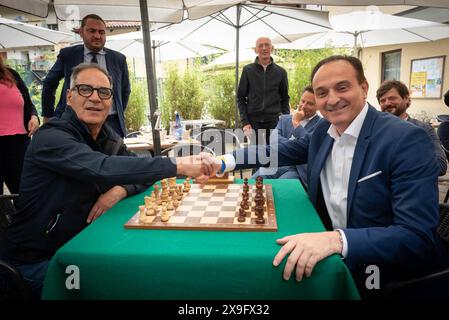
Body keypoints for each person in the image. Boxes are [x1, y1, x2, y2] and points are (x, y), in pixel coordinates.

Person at [213, 55, 449, 297]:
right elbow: (276, 151)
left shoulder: (406, 139)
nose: (332, 99)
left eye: (342, 87)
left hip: (385, 275)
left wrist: (336, 240)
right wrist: (221, 161)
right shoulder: (322, 133)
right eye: (322, 92)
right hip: (332, 259)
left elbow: (417, 237)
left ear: (364, 88)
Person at [0, 63, 214, 299]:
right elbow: (100, 167)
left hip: (82, 244)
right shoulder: (50, 137)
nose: (95, 97)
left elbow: (135, 169)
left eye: (103, 92)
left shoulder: (107, 136)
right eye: (85, 89)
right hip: (38, 260)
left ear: (111, 102)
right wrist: (179, 165)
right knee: (128, 286)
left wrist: (120, 190)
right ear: (69, 96)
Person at [41, 14, 130, 138]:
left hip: (111, 123)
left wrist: (112, 110)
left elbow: (125, 90)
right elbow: (49, 83)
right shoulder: (68, 55)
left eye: (101, 32)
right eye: (92, 31)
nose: (97, 36)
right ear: (81, 32)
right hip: (74, 122)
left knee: (114, 157)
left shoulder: (118, 59)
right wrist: (47, 115)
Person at [253, 85, 321, 188]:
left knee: (280, 191)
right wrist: (296, 145)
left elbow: (309, 146)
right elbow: (273, 140)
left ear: (318, 106)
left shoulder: (321, 125)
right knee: (252, 184)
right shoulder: (284, 119)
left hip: (297, 169)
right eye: (303, 101)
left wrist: (296, 123)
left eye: (310, 104)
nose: (303, 106)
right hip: (276, 164)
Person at [377, 80, 447, 176]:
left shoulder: (424, 129)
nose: (387, 103)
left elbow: (440, 166)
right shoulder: (375, 131)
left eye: (392, 98)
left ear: (406, 98)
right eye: (382, 100)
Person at [237, 36, 289, 146]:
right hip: (253, 122)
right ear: (255, 50)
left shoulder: (281, 72)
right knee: (257, 155)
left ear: (272, 48)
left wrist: (285, 121)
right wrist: (245, 123)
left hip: (275, 122)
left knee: (274, 155)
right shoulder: (248, 70)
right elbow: (240, 98)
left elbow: (285, 99)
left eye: (267, 45)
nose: (264, 48)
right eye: (260, 46)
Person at [0, 56, 39, 195]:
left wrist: (34, 117)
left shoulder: (11, 74)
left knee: (24, 196)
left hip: (19, 144)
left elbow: (29, 104)